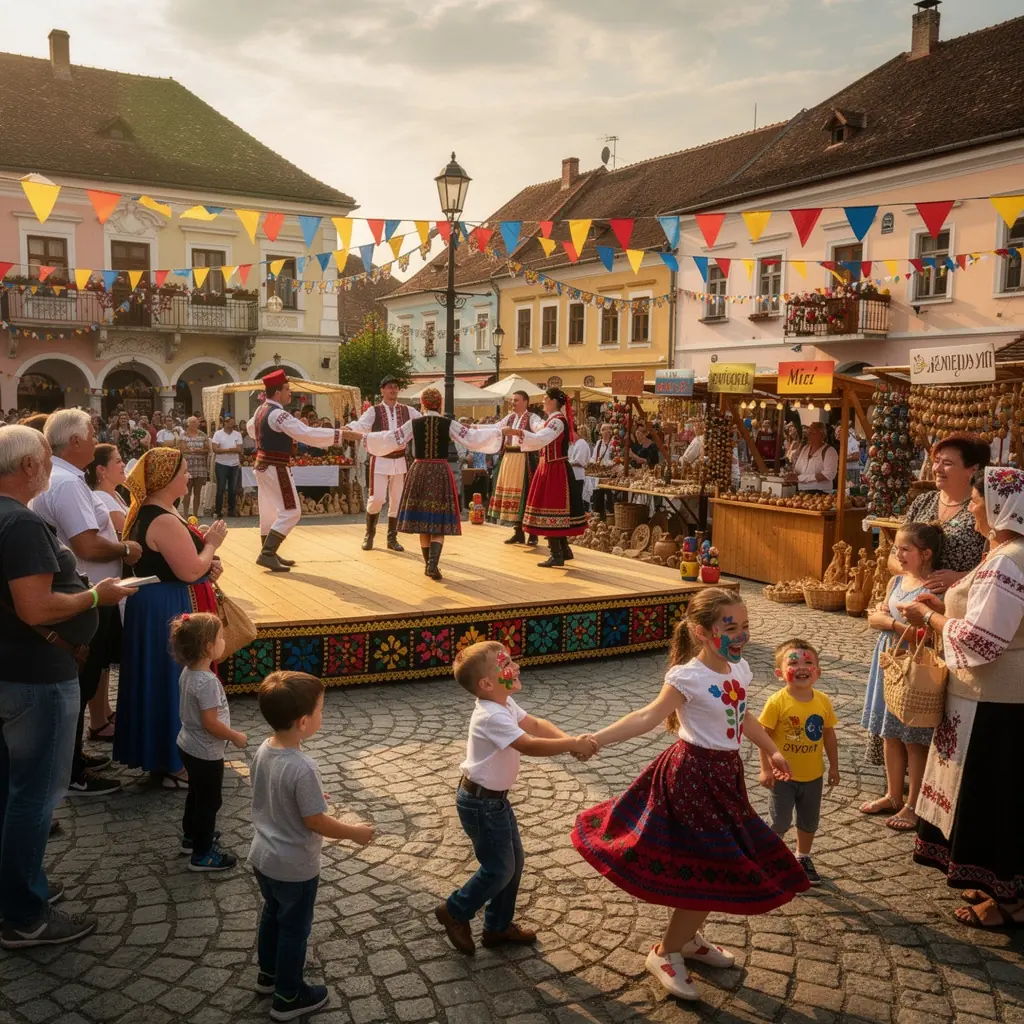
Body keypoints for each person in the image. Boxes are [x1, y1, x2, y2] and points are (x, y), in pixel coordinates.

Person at [571, 588, 808, 1003]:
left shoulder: (740, 670)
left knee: (710, 866)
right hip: (691, 779)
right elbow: (647, 716)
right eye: (729, 627)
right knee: (713, 866)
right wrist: (595, 739)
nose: (740, 635)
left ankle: (687, 939)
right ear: (701, 632)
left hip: (723, 777)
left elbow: (743, 714)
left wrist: (771, 749)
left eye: (745, 626)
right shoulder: (689, 677)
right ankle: (664, 953)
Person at [0, 426, 135, 949]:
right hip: (35, 675)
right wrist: (94, 598)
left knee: (11, 792)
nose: (49, 469)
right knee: (34, 797)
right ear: (29, 468)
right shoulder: (22, 524)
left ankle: (15, 892)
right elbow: (37, 606)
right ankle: (26, 915)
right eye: (45, 460)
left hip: (10, 670)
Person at [900, 467, 1024, 929]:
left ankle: (1005, 900)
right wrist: (941, 606)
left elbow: (980, 642)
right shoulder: (1007, 554)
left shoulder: (1009, 558)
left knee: (991, 795)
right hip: (994, 699)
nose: (971, 507)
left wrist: (929, 620)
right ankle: (995, 884)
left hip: (995, 702)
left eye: (977, 500)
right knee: (996, 793)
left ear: (999, 506)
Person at [435, 641, 593, 957]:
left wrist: (567, 741)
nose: (516, 666)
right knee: (499, 869)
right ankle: (455, 910)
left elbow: (534, 724)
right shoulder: (490, 716)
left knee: (513, 863)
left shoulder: (504, 704)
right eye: (506, 663)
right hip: (481, 804)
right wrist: (571, 744)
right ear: (486, 683)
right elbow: (528, 744)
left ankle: (497, 927)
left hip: (494, 801)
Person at [30, 410, 143, 798]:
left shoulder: (60, 479)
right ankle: (72, 771)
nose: (97, 439)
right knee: (80, 682)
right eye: (92, 433)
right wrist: (127, 548)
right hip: (88, 595)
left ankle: (72, 757)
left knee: (83, 682)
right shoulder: (66, 484)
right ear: (75, 441)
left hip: (84, 593)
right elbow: (88, 545)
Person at [249, 671, 374, 1021]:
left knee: (272, 914)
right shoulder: (303, 767)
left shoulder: (264, 748)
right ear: (304, 722)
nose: (324, 715)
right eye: (321, 709)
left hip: (263, 856)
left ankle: (268, 975)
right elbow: (315, 821)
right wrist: (353, 832)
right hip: (294, 867)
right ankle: (289, 996)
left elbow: (272, 792)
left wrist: (309, 799)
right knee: (294, 929)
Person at [114, 447, 227, 788]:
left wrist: (205, 557)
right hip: (167, 605)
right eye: (182, 472)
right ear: (166, 479)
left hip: (154, 604)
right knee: (171, 682)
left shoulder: (155, 512)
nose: (188, 476)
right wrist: (211, 545)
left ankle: (162, 757)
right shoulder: (162, 517)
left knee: (159, 680)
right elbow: (191, 569)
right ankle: (174, 761)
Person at [357, 388, 505, 580]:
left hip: (419, 471)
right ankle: (432, 565)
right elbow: (471, 437)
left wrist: (364, 438)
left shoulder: (414, 423)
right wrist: (498, 432)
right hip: (439, 471)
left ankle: (428, 564)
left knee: (423, 521)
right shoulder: (448, 423)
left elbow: (392, 438)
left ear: (423, 404)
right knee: (438, 521)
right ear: (440, 403)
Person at [860, 522, 941, 828]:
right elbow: (882, 613)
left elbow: (929, 635)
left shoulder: (930, 590)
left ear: (926, 553)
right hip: (888, 661)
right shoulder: (897, 582)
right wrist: (881, 613)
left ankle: (913, 803)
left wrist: (889, 624)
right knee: (890, 732)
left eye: (906, 549)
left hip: (913, 663)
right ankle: (893, 794)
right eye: (897, 549)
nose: (900, 554)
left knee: (912, 738)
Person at [246, 370, 351, 572]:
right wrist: (339, 435)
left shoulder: (260, 411)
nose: (290, 393)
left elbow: (252, 430)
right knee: (292, 511)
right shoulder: (278, 414)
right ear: (277, 393)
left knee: (268, 512)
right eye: (287, 389)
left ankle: (269, 552)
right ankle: (267, 553)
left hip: (262, 465)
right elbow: (307, 433)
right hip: (276, 466)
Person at [758, 639, 839, 886]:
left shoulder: (823, 701)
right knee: (780, 820)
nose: (802, 667)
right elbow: (763, 736)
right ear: (779, 674)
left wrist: (834, 766)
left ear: (818, 671)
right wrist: (765, 769)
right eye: (793, 663)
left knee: (808, 820)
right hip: (783, 777)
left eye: (808, 662)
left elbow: (828, 734)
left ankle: (802, 857)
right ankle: (769, 858)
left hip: (813, 775)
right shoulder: (777, 702)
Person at [171, 612, 246, 872]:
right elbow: (211, 723)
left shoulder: (188, 673)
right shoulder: (207, 682)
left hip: (187, 745)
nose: (224, 641)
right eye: (221, 637)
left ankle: (191, 837)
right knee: (210, 802)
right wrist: (235, 736)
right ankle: (202, 855)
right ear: (207, 646)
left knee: (196, 794)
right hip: (205, 752)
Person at [896, 434, 989, 593]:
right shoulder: (922, 502)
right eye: (936, 461)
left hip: (960, 601)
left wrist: (961, 578)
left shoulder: (981, 509)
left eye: (947, 463)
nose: (937, 469)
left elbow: (997, 565)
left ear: (973, 470)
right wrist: (921, 579)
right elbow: (894, 557)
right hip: (913, 598)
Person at [83, 443, 131, 743]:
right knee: (98, 658)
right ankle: (98, 720)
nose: (123, 464)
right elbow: (128, 533)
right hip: (101, 583)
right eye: (117, 460)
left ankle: (105, 711)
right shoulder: (102, 497)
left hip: (112, 582)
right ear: (101, 470)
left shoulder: (114, 495)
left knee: (104, 659)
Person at [513, 388, 587, 568]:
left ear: (554, 401)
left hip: (555, 469)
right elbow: (538, 429)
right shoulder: (552, 420)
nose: (544, 401)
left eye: (546, 398)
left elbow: (541, 438)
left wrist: (518, 434)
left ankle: (556, 554)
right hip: (550, 466)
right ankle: (564, 550)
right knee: (555, 508)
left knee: (552, 508)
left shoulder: (557, 421)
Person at [347, 375, 420, 552]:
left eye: (395, 387)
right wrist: (348, 428)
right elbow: (362, 425)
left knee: (396, 501)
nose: (393, 390)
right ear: (382, 391)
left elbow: (423, 421)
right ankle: (369, 534)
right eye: (389, 387)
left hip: (400, 460)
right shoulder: (374, 411)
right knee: (377, 498)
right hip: (380, 459)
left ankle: (392, 538)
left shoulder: (408, 411)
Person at [487, 391, 543, 545]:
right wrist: (473, 428)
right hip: (509, 458)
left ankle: (532, 534)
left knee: (526, 496)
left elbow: (540, 429)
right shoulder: (510, 418)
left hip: (524, 460)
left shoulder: (532, 418)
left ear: (526, 402)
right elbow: (494, 428)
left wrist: (519, 432)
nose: (512, 403)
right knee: (513, 496)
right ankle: (518, 532)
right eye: (512, 401)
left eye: (516, 400)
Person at [786, 421, 838, 493]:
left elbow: (828, 474)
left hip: (821, 493)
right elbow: (798, 469)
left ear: (822, 435)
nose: (808, 435)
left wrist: (800, 478)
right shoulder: (805, 448)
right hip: (802, 492)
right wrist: (791, 475)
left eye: (812, 433)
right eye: (808, 433)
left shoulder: (830, 451)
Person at [212, 414, 244, 518]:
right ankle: (218, 511)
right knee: (220, 488)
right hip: (221, 464)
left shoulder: (237, 434)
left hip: (234, 465)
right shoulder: (218, 434)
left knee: (233, 489)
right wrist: (231, 450)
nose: (233, 423)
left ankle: (231, 511)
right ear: (225, 423)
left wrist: (225, 450)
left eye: (233, 422)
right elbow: (215, 449)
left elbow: (239, 449)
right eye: (230, 422)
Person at [181, 416, 211, 519]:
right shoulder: (184, 435)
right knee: (187, 491)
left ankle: (195, 514)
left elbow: (207, 449)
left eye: (196, 422)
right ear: (188, 424)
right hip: (188, 467)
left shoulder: (203, 435)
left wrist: (196, 450)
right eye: (192, 422)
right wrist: (197, 450)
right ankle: (185, 515)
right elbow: (183, 449)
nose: (194, 424)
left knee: (197, 492)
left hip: (200, 466)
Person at [585, 422, 617, 519]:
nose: (606, 432)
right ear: (600, 432)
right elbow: (594, 457)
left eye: (608, 429)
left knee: (609, 496)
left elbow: (616, 458)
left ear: (611, 431)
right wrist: (591, 464)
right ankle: (599, 517)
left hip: (611, 473)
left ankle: (611, 516)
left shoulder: (614, 443)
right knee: (597, 495)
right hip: (599, 475)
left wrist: (608, 465)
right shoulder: (599, 443)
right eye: (603, 430)